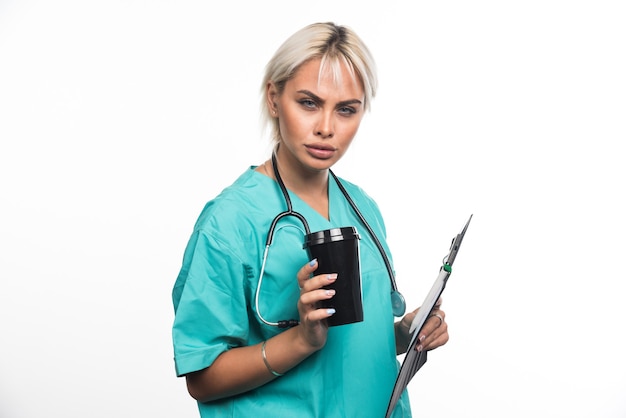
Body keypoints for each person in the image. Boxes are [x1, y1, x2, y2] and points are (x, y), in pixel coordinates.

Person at [171, 22, 449, 418]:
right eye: (308, 103)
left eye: (346, 110)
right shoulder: (228, 222)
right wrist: (301, 340)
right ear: (273, 98)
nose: (326, 128)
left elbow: (352, 344)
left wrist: (406, 334)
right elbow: (202, 376)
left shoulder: (362, 208)